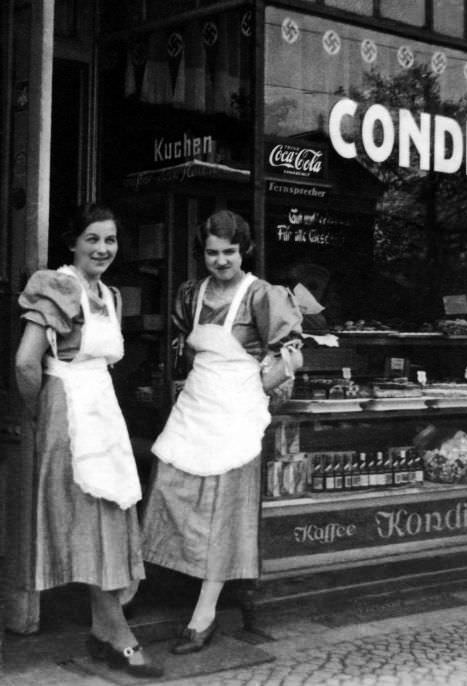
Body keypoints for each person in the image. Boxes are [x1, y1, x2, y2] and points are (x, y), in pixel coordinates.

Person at [142, 209, 303, 654]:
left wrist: (254, 390)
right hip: (196, 405)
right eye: (212, 253)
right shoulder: (191, 294)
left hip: (236, 410)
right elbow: (184, 349)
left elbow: (291, 360)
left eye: (229, 252)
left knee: (222, 511)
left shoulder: (262, 296)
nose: (221, 261)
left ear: (243, 250)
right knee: (169, 491)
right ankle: (139, 587)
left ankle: (204, 613)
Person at [14, 203, 162, 678]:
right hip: (71, 410)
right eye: (93, 239)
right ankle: (118, 632)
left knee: (112, 515)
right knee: (89, 518)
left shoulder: (110, 295)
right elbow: (24, 362)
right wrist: (43, 413)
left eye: (111, 240)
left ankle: (104, 627)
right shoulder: (58, 286)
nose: (102, 249)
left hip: (103, 411)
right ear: (72, 242)